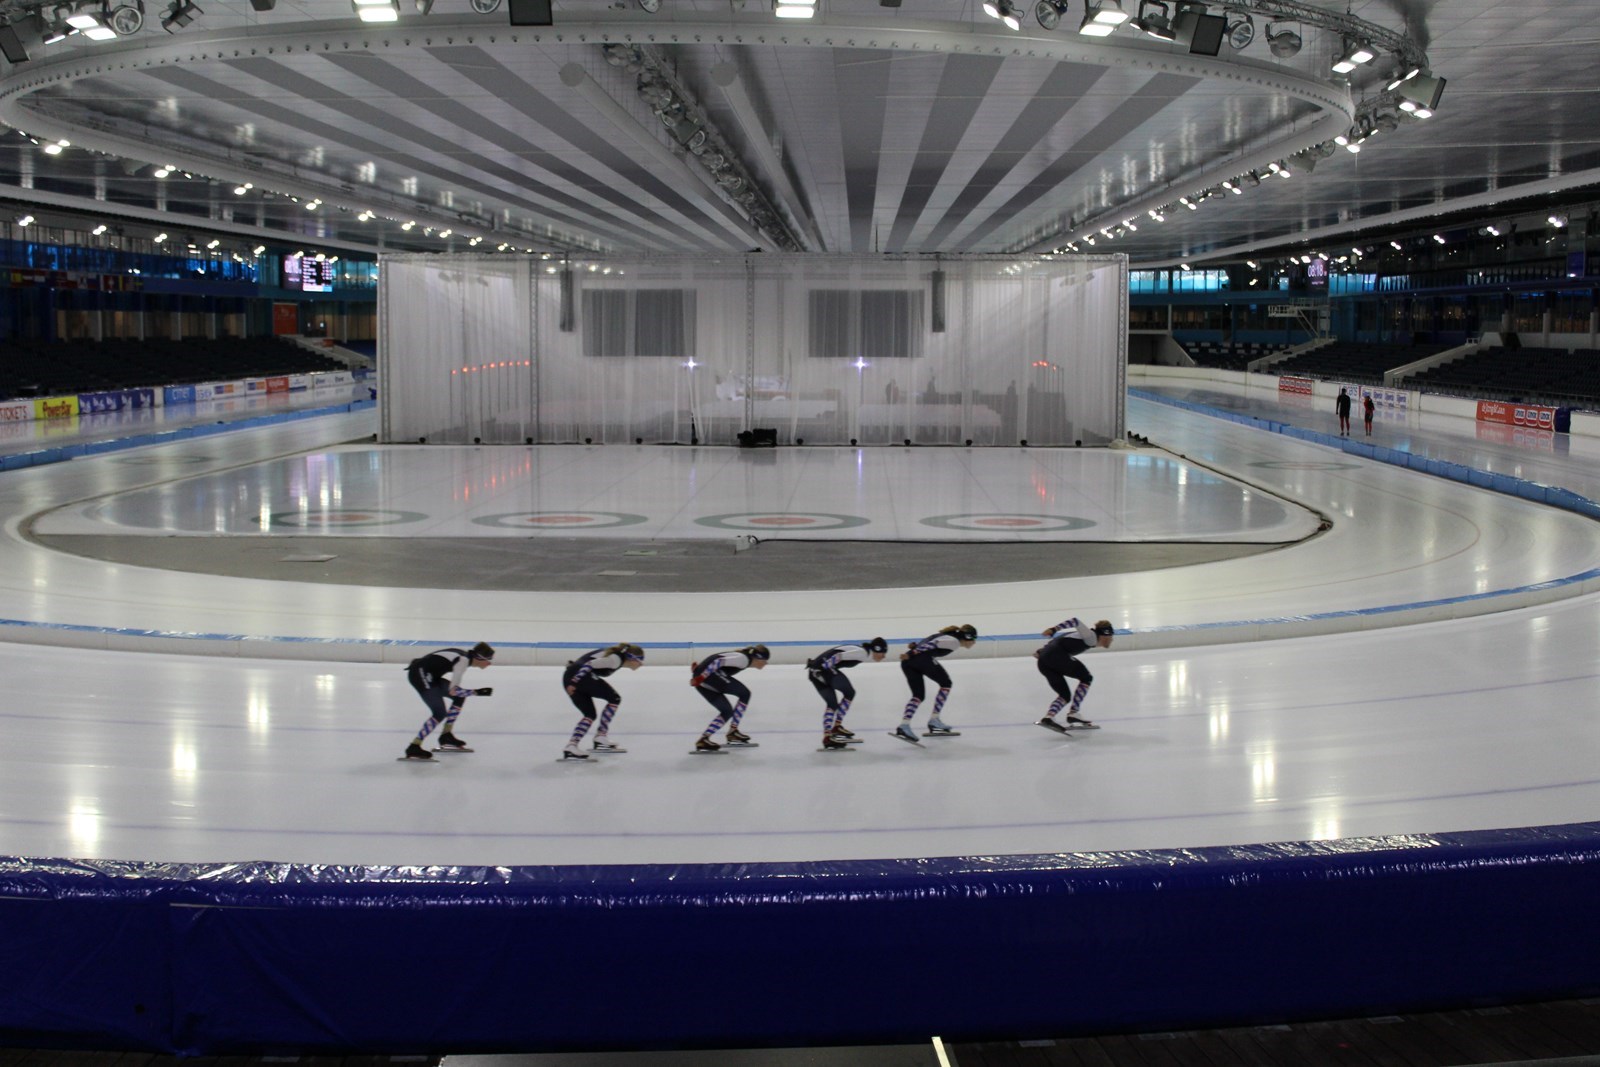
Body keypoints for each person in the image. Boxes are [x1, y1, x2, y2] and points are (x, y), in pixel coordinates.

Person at [402, 642, 494, 761]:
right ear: (479, 658)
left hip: (428, 674)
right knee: (439, 712)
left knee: (459, 698)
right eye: (488, 660)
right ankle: (414, 746)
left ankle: (446, 735)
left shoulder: (464, 657)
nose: (489, 663)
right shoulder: (462, 661)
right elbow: (453, 691)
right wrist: (477, 692)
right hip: (420, 674)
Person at [893, 624, 978, 743]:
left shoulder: (948, 636)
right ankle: (934, 720)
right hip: (919, 659)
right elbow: (931, 644)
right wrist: (912, 653)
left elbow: (929, 641)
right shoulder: (954, 641)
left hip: (907, 662)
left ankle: (904, 725)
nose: (974, 643)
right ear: (967, 637)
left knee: (918, 695)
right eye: (974, 639)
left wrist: (913, 649)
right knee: (946, 683)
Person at [561, 644, 644, 761]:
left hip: (571, 676)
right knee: (614, 699)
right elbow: (589, 664)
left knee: (589, 714)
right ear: (631, 657)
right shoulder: (615, 660)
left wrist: (573, 679)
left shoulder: (615, 657)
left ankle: (571, 746)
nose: (641, 664)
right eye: (640, 660)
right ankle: (600, 736)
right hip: (579, 677)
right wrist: (574, 681)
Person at [806, 638, 889, 749]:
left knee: (832, 704)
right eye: (883, 653)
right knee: (849, 692)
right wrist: (824, 669)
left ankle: (827, 737)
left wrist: (819, 670)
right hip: (822, 670)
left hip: (814, 671)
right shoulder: (863, 653)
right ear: (877, 649)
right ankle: (836, 727)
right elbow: (838, 657)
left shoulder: (862, 651)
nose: (884, 656)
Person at [1035, 618, 1115, 733]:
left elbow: (1059, 641)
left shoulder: (1082, 636)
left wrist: (1042, 650)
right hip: (1056, 656)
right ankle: (1074, 713)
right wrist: (1054, 629)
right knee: (1086, 678)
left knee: (1064, 695)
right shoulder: (1091, 636)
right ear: (1105, 635)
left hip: (1043, 661)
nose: (1112, 640)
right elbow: (1075, 621)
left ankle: (1048, 718)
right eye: (1111, 636)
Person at [690, 645, 771, 752]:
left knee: (727, 711)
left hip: (704, 679)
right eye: (765, 661)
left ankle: (704, 739)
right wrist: (702, 676)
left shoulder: (743, 657)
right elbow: (718, 661)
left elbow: (715, 659)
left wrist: (699, 672)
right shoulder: (744, 659)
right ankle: (733, 732)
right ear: (758, 658)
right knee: (745, 694)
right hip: (708, 677)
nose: (766, 664)